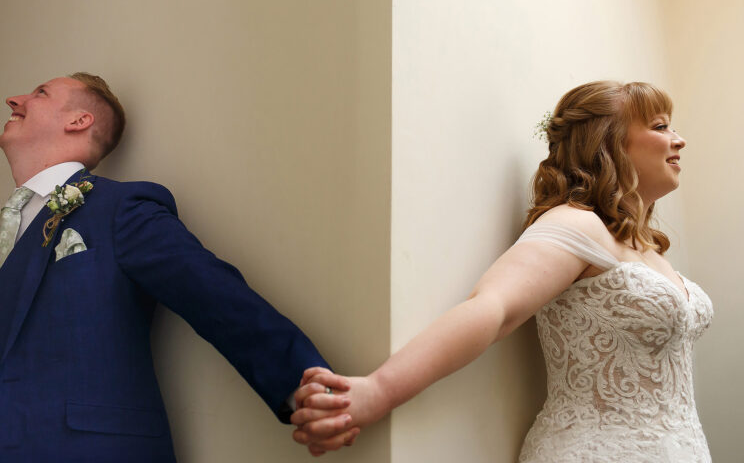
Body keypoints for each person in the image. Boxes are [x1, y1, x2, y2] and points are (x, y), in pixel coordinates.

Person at [291, 81, 714, 462]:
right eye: (661, 126)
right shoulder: (577, 224)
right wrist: (378, 391)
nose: (678, 139)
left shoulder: (650, 250)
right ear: (609, 143)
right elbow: (493, 309)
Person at [0, 73, 355, 463]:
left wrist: (307, 388)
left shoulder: (119, 208)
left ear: (79, 120)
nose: (14, 99)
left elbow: (212, 294)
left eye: (40, 93)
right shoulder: (8, 232)